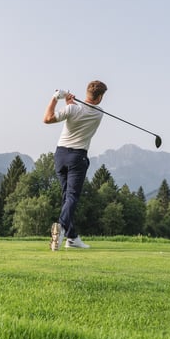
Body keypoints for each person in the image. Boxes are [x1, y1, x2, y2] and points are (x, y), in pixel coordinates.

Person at [43, 80, 108, 250]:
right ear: (100, 97)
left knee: (66, 196)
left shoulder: (72, 109)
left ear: (87, 93)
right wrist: (69, 102)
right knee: (72, 196)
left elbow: (47, 119)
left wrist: (56, 98)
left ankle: (72, 237)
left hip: (60, 155)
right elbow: (81, 113)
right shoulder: (99, 113)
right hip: (77, 157)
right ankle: (62, 227)